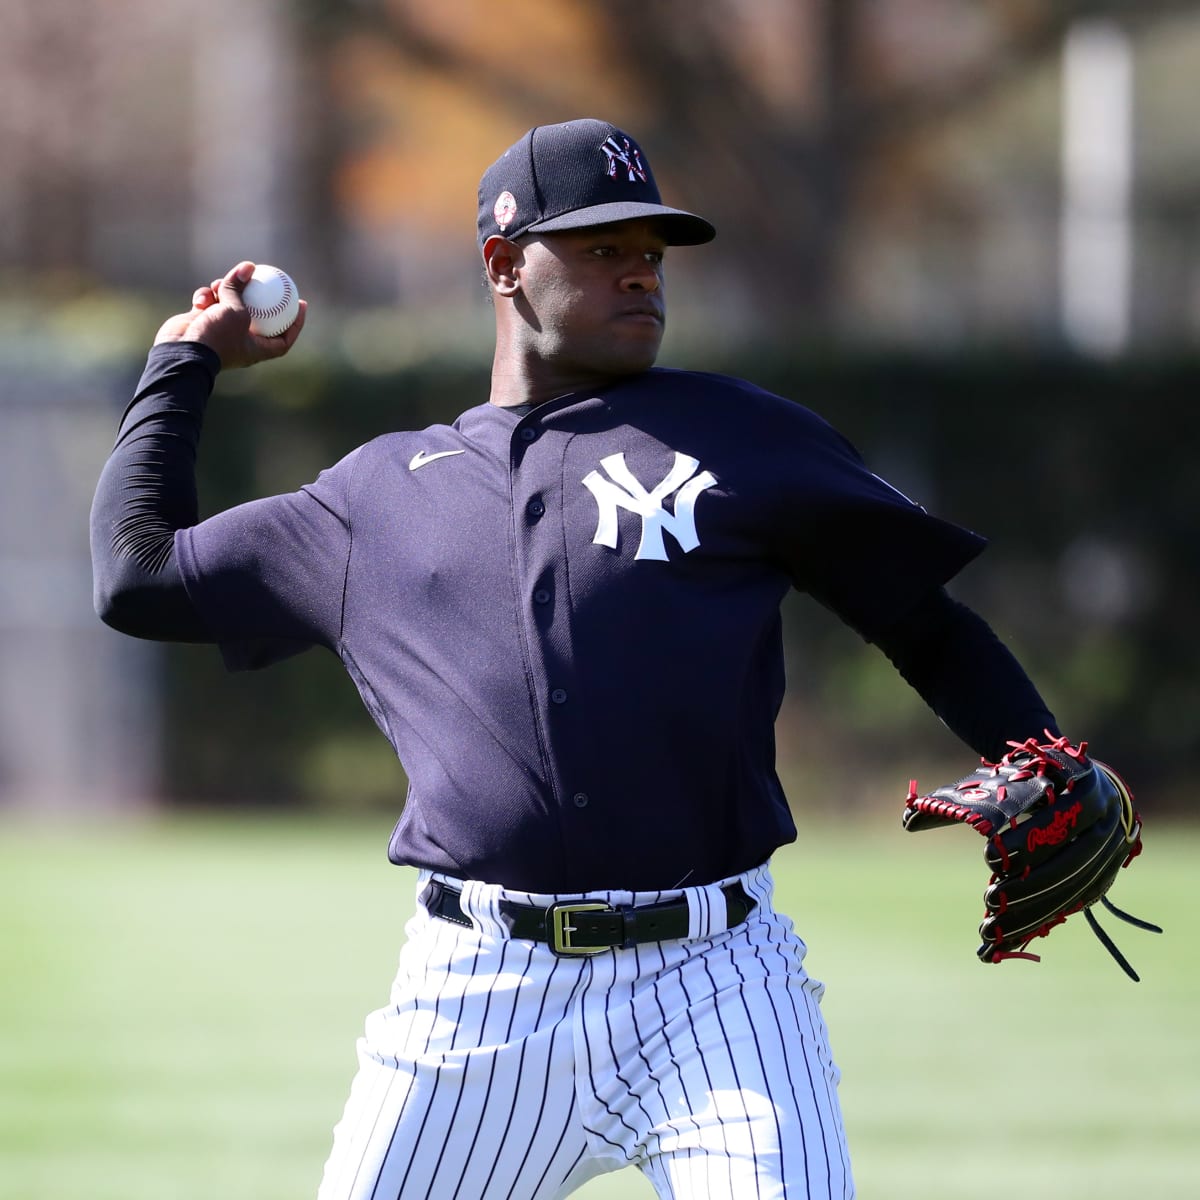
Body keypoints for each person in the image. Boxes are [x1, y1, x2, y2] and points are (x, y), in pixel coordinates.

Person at [91, 118, 1062, 1200]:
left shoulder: (741, 437)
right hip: (475, 998)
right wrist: (182, 365)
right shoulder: (376, 499)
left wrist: (1051, 756)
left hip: (718, 982)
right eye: (602, 248)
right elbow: (140, 577)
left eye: (651, 250)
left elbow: (925, 625)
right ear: (504, 266)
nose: (641, 271)